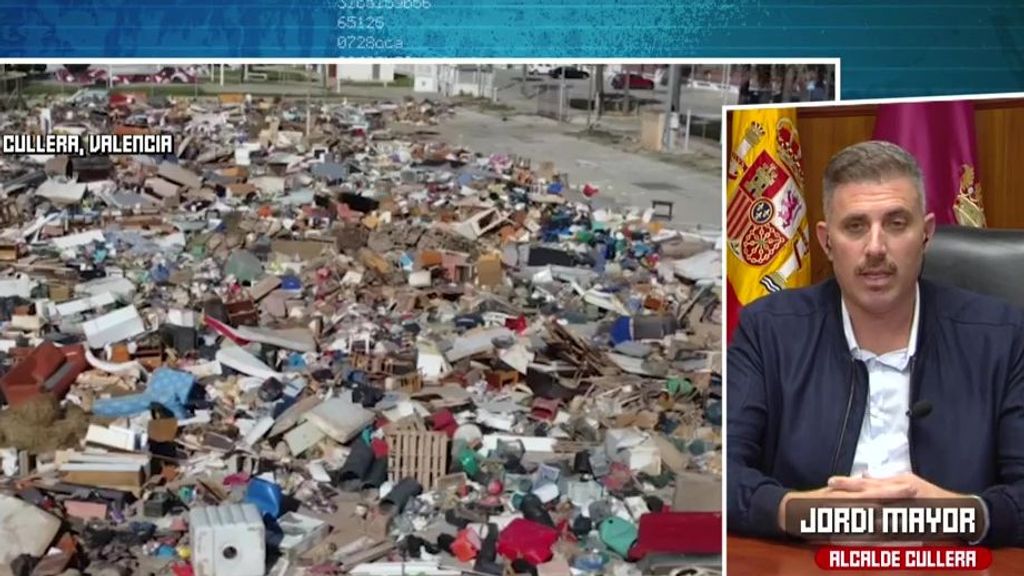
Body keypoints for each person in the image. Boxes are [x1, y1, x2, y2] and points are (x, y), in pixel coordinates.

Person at [726, 140, 1024, 548]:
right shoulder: (769, 331)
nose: (876, 248)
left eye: (897, 223)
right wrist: (799, 512)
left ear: (927, 234)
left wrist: (956, 514)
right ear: (827, 241)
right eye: (855, 226)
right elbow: (721, 470)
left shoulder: (1003, 335)